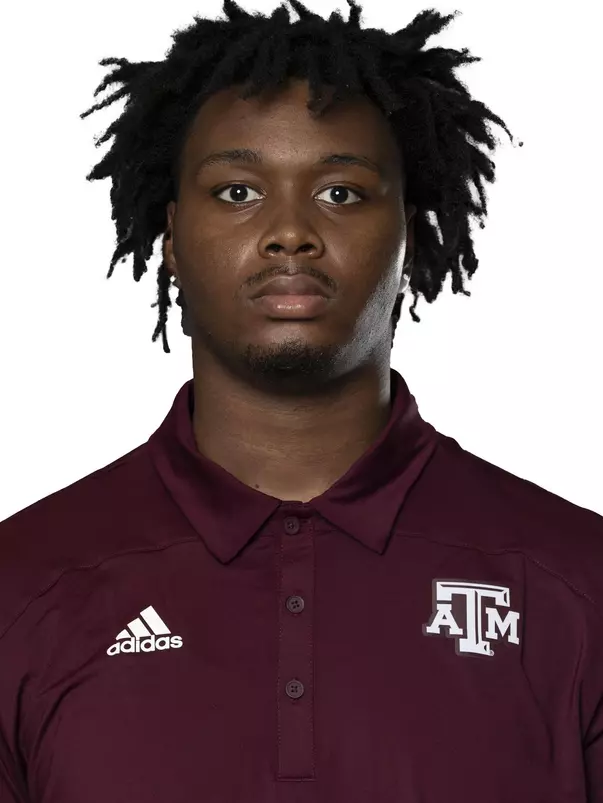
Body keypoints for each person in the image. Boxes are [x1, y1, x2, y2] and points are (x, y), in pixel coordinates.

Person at [0, 0, 601, 801]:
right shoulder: (22, 582)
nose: (290, 232)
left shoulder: (576, 582)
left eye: (342, 193)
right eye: (239, 190)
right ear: (171, 237)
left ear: (411, 237)